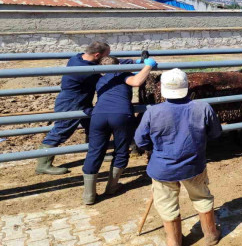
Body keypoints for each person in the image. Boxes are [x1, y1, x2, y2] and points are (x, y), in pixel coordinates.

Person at [134, 68, 222, 246]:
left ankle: (174, 241)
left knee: (166, 204)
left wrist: (156, 149)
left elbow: (140, 141)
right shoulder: (203, 107)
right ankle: (211, 234)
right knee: (202, 197)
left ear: (164, 89)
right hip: (194, 165)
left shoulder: (152, 112)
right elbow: (215, 133)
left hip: (162, 168)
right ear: (187, 87)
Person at [35, 41, 135, 175]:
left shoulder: (78, 57)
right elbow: (108, 72)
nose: (107, 57)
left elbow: (109, 62)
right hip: (71, 102)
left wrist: (135, 61)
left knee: (91, 126)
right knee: (62, 129)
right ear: (97, 55)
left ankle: (97, 153)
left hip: (83, 100)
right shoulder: (85, 70)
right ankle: (43, 164)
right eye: (106, 55)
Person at [82, 56, 157, 205]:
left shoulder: (100, 79)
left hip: (98, 115)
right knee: (121, 150)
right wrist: (148, 66)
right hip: (121, 115)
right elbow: (136, 81)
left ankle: (89, 195)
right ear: (119, 65)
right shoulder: (123, 74)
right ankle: (112, 186)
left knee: (95, 151)